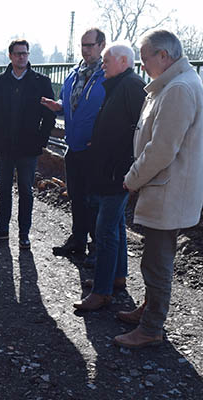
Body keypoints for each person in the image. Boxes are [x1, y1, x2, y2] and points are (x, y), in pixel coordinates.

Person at [113, 30, 203, 348]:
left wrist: (133, 177)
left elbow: (162, 149)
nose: (142, 62)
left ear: (163, 56)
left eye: (145, 56)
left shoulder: (178, 89)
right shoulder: (173, 84)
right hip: (166, 188)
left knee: (157, 262)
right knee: (154, 256)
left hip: (168, 190)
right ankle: (149, 309)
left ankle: (151, 327)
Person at [72, 43, 146, 311]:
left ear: (124, 61)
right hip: (111, 167)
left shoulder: (132, 86)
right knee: (115, 227)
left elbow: (138, 132)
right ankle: (116, 277)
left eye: (106, 61)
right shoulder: (120, 84)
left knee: (105, 230)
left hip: (117, 171)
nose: (102, 66)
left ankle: (102, 291)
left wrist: (123, 160)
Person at [41, 28, 107, 267]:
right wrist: (56, 106)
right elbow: (68, 104)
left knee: (94, 200)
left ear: (102, 45)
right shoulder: (73, 74)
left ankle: (97, 247)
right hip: (74, 146)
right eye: (83, 45)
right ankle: (78, 240)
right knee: (77, 196)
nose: (85, 50)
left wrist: (102, 138)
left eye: (90, 45)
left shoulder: (108, 74)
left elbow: (113, 112)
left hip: (96, 150)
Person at [0, 39, 55, 249]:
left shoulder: (40, 81)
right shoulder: (0, 81)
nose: (21, 57)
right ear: (10, 56)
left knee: (26, 190)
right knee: (3, 189)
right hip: (4, 147)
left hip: (28, 148)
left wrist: (40, 141)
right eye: (17, 54)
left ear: (28, 55)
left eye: (24, 53)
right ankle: (2, 231)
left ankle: (24, 234)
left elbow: (49, 115)